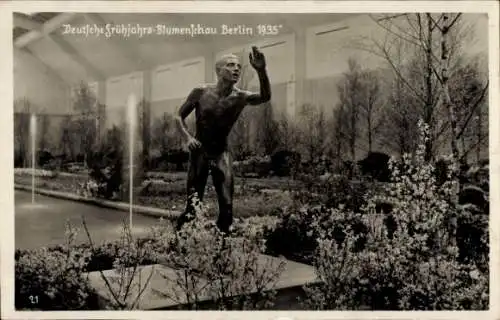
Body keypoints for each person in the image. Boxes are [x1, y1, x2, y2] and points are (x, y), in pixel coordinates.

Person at [175, 46, 271, 234]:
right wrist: (187, 138)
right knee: (193, 205)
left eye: (239, 66)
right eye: (230, 65)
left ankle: (222, 247)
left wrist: (261, 70)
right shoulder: (200, 92)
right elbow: (177, 116)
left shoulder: (240, 97)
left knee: (227, 206)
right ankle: (182, 239)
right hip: (199, 153)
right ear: (219, 71)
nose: (236, 69)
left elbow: (265, 97)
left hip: (221, 153)